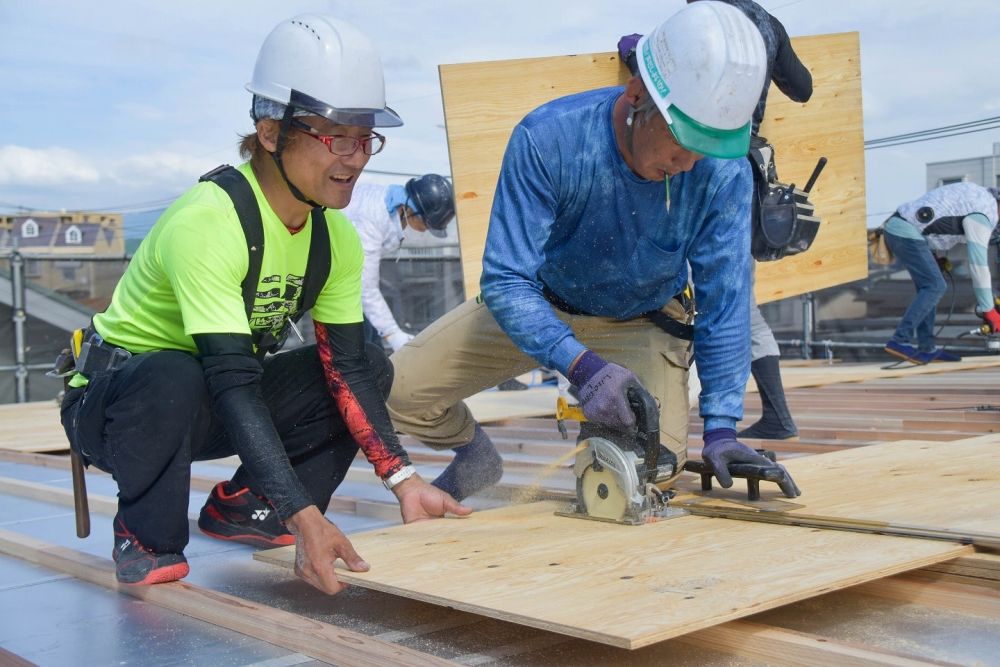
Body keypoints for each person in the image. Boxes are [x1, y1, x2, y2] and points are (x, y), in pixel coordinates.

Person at [57, 14, 469, 590]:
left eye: (364, 139)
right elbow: (230, 380)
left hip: (211, 402)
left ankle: (248, 505)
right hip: (120, 409)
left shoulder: (335, 237)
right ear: (271, 132)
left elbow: (347, 369)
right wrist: (310, 519)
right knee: (176, 372)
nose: (354, 158)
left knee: (370, 363)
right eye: (334, 137)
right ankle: (144, 534)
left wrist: (403, 479)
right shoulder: (209, 222)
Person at [387, 1, 801, 502]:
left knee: (643, 478)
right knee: (397, 392)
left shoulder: (723, 172)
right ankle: (476, 455)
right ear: (637, 95)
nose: (690, 164)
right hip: (541, 306)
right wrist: (581, 367)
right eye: (683, 142)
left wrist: (722, 428)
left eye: (707, 149)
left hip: (645, 320)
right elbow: (504, 279)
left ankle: (614, 446)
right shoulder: (550, 139)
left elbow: (726, 303)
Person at [619, 0, 812, 441]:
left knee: (696, 295)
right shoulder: (766, 24)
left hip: (703, 168)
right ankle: (771, 412)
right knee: (734, 295)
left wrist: (634, 49)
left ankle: (666, 416)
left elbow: (650, 65)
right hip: (745, 165)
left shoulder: (697, 23)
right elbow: (802, 88)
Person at [883, 183, 1000, 364]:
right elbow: (978, 265)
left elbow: (941, 216)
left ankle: (926, 348)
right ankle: (899, 340)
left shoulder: (980, 197)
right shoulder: (985, 214)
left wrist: (935, 257)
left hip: (902, 228)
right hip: (906, 231)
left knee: (929, 287)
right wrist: (989, 309)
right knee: (935, 285)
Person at [340, 175, 456, 351]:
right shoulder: (370, 217)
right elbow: (365, 286)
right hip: (335, 283)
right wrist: (393, 333)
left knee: (371, 344)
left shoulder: (391, 206)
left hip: (348, 284)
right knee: (360, 348)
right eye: (426, 224)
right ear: (411, 210)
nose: (425, 230)